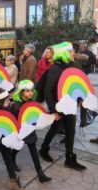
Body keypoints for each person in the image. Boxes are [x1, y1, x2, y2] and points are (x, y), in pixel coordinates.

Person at [39, 42, 87, 170]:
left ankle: (69, 158)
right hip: (58, 107)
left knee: (71, 131)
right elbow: (48, 91)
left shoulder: (72, 67)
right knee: (55, 129)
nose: (73, 53)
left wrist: (80, 98)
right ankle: (44, 149)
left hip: (70, 105)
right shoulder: (55, 69)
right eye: (71, 51)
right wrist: (55, 110)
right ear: (64, 53)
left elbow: (76, 85)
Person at [11, 80, 52, 183]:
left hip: (29, 131)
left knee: (33, 150)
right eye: (27, 91)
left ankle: (40, 173)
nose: (30, 93)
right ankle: (11, 161)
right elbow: (14, 120)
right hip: (19, 132)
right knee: (17, 147)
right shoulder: (16, 106)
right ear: (21, 92)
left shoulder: (32, 103)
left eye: (31, 91)